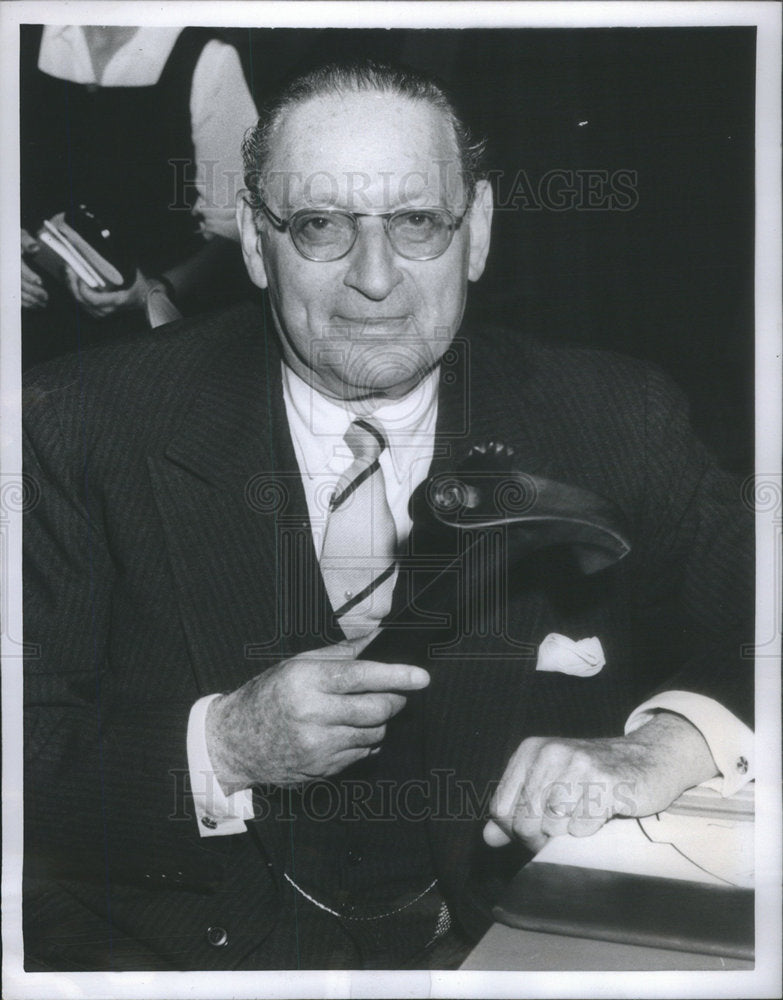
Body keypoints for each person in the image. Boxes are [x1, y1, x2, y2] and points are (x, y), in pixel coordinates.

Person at [22, 60, 753, 971]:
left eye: (416, 224)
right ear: (255, 241)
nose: (376, 279)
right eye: (322, 226)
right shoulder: (73, 423)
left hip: (505, 948)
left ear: (475, 232)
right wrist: (220, 749)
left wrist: (664, 747)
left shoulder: (612, 413)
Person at [20, 24, 257, 369]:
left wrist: (154, 290)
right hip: (28, 322)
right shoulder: (18, 35)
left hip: (153, 331)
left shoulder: (207, 59)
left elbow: (237, 224)